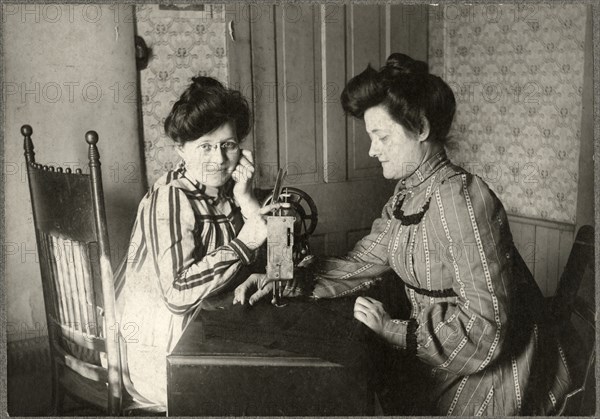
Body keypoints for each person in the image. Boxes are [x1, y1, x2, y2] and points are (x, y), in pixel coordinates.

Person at [234, 54, 573, 415]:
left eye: (381, 136)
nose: (371, 149)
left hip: (495, 377)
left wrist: (391, 330)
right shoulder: (409, 192)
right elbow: (363, 261)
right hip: (441, 361)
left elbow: (485, 333)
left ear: (422, 128)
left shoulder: (462, 200)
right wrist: (284, 278)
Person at [117, 76, 288, 407]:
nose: (219, 160)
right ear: (181, 150)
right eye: (205, 147)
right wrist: (243, 242)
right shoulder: (170, 198)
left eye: (229, 144)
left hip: (205, 326)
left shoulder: (225, 191)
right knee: (266, 388)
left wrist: (246, 198)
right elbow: (178, 295)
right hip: (161, 353)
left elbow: (279, 263)